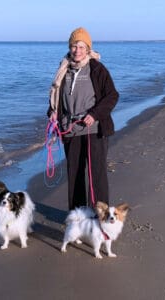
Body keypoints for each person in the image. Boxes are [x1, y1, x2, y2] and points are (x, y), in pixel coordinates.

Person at [47, 27, 119, 210]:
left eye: (81, 46)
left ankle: (99, 217)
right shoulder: (64, 69)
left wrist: (94, 114)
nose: (77, 50)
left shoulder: (97, 69)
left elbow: (112, 96)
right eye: (73, 46)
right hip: (70, 129)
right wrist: (52, 112)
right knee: (75, 175)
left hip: (94, 129)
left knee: (97, 175)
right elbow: (57, 99)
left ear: (88, 48)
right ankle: (78, 218)